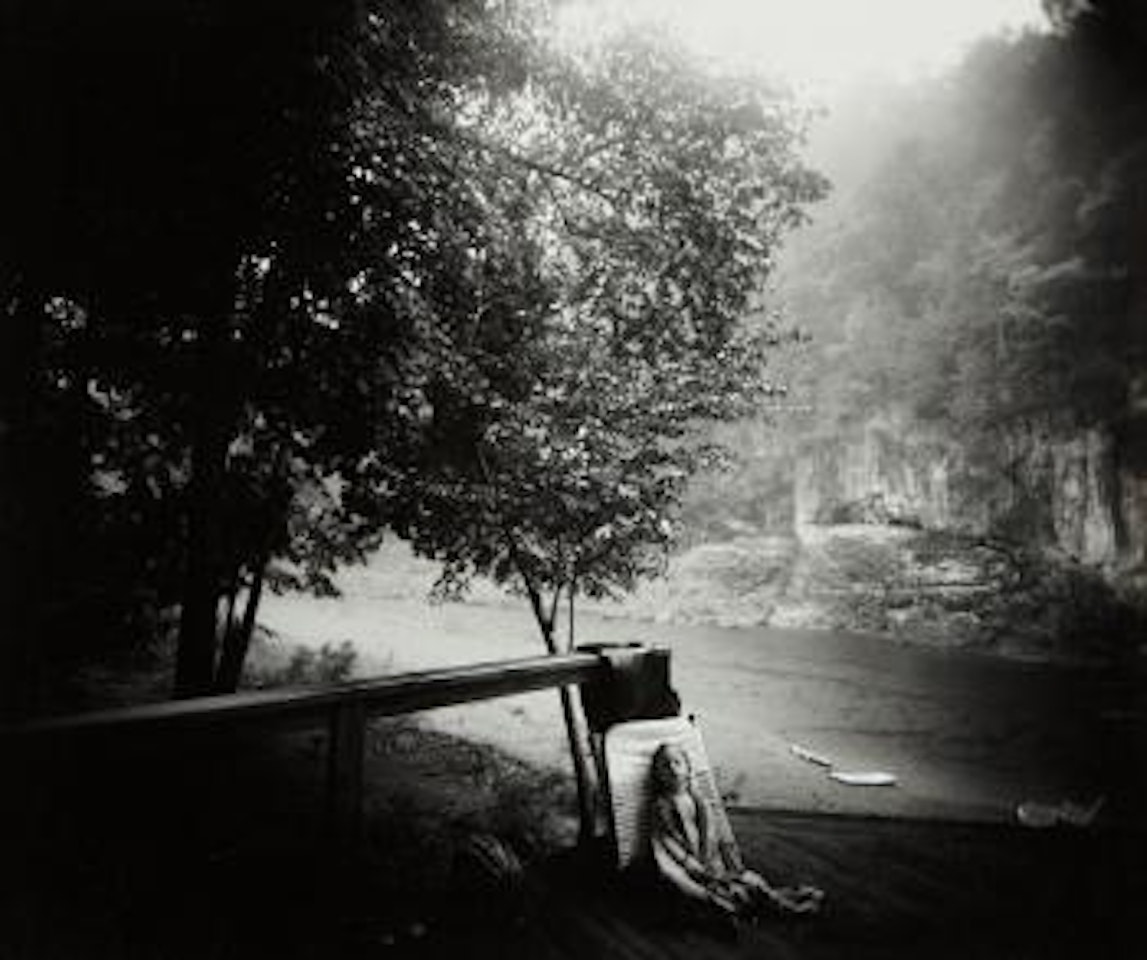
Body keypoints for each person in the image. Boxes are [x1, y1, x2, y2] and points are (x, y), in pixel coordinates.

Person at [648, 742, 824, 921]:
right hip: (691, 866)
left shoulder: (698, 799)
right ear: (657, 774)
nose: (672, 769)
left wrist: (715, 855)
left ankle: (785, 898)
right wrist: (688, 862)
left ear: (687, 767)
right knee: (736, 892)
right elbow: (666, 839)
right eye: (665, 766)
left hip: (711, 860)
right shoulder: (662, 805)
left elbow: (712, 832)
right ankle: (786, 905)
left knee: (750, 881)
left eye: (677, 762)